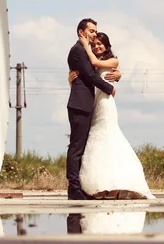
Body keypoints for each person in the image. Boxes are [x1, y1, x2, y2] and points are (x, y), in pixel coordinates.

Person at [69, 31, 155, 200]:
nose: (96, 46)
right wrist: (70, 80)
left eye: (99, 44)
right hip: (93, 105)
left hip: (106, 104)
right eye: (94, 44)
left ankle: (116, 184)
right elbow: (86, 74)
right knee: (95, 141)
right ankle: (100, 185)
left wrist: (85, 43)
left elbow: (95, 63)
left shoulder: (112, 61)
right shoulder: (90, 64)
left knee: (109, 136)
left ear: (107, 46)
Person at [66, 18, 121, 200]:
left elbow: (103, 67)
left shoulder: (87, 51)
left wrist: (118, 75)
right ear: (81, 32)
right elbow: (90, 75)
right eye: (91, 31)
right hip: (80, 104)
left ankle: (80, 187)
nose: (94, 34)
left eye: (96, 32)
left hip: (89, 104)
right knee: (76, 147)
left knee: (82, 147)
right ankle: (73, 188)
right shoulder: (78, 50)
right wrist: (109, 88)